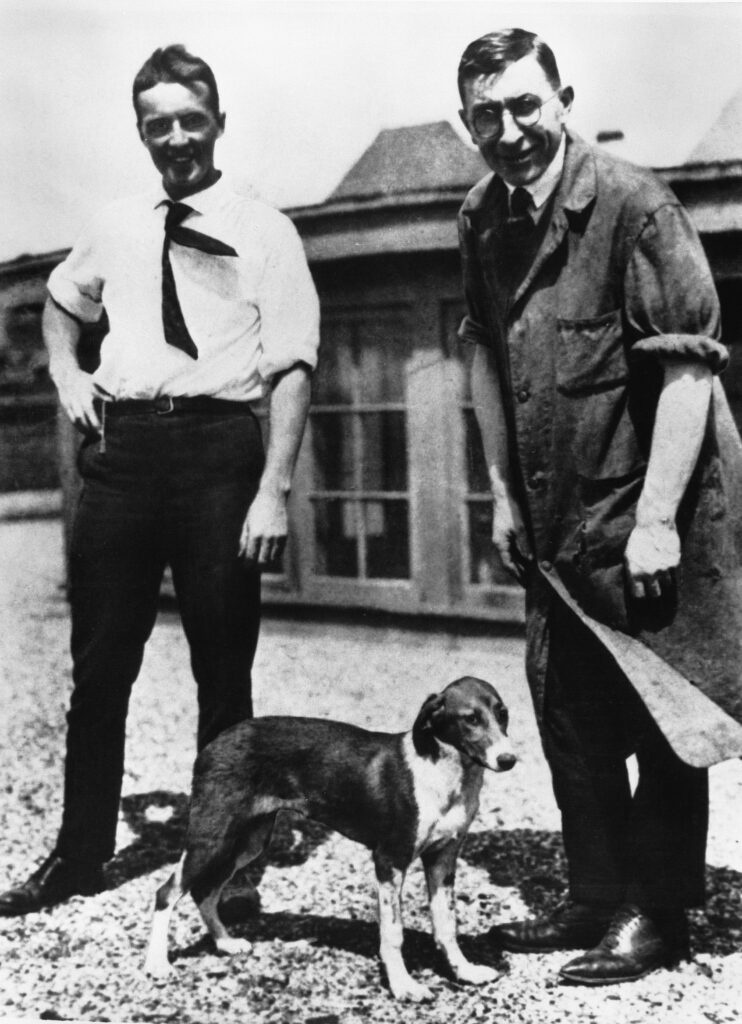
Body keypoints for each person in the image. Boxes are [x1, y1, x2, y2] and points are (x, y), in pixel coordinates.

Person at [0, 44, 319, 916]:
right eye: (158, 124)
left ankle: (225, 864)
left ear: (218, 121)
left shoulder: (264, 229)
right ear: (141, 132)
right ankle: (78, 854)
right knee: (99, 669)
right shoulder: (118, 220)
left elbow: (293, 368)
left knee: (224, 668)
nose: (177, 137)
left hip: (220, 453)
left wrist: (272, 489)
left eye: (191, 119)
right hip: (122, 458)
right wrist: (67, 376)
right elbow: (63, 300)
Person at [456, 28, 742, 985]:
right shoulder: (478, 220)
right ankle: (591, 895)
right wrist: (500, 495)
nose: (511, 130)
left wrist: (658, 518)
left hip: (651, 507)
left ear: (563, 97)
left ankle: (656, 913)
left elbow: (689, 374)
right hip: (553, 520)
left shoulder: (636, 206)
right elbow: (486, 362)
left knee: (661, 713)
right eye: (487, 114)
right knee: (570, 712)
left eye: (527, 105)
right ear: (467, 124)